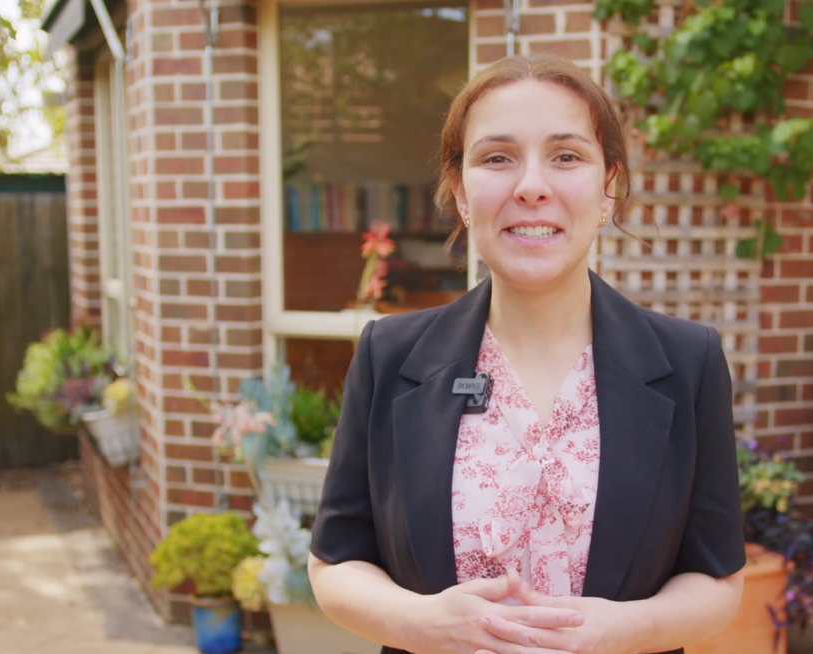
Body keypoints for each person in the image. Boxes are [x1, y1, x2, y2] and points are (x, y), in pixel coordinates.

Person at [307, 53, 746, 654]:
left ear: (608, 188)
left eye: (566, 156)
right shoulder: (390, 355)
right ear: (461, 192)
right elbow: (334, 563)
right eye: (497, 158)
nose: (531, 186)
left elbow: (717, 578)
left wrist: (623, 631)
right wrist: (420, 623)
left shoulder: (688, 363)